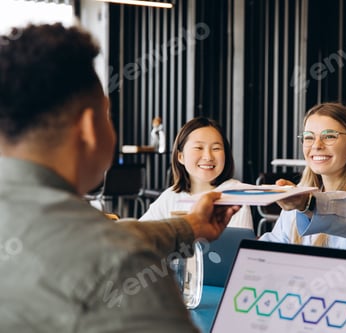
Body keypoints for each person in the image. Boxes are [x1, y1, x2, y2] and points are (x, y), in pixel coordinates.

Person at [0, 23, 239, 332]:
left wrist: (189, 227)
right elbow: (106, 247)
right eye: (108, 115)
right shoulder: (122, 264)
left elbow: (88, 238)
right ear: (88, 127)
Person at [259, 102, 346, 288]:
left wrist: (308, 204)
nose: (317, 145)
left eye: (329, 136)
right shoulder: (299, 195)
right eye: (309, 138)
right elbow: (273, 248)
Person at [140, 116, 254, 231]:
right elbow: (141, 234)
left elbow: (239, 244)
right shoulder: (170, 196)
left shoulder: (235, 195)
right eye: (199, 148)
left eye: (216, 148)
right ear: (180, 156)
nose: (208, 157)